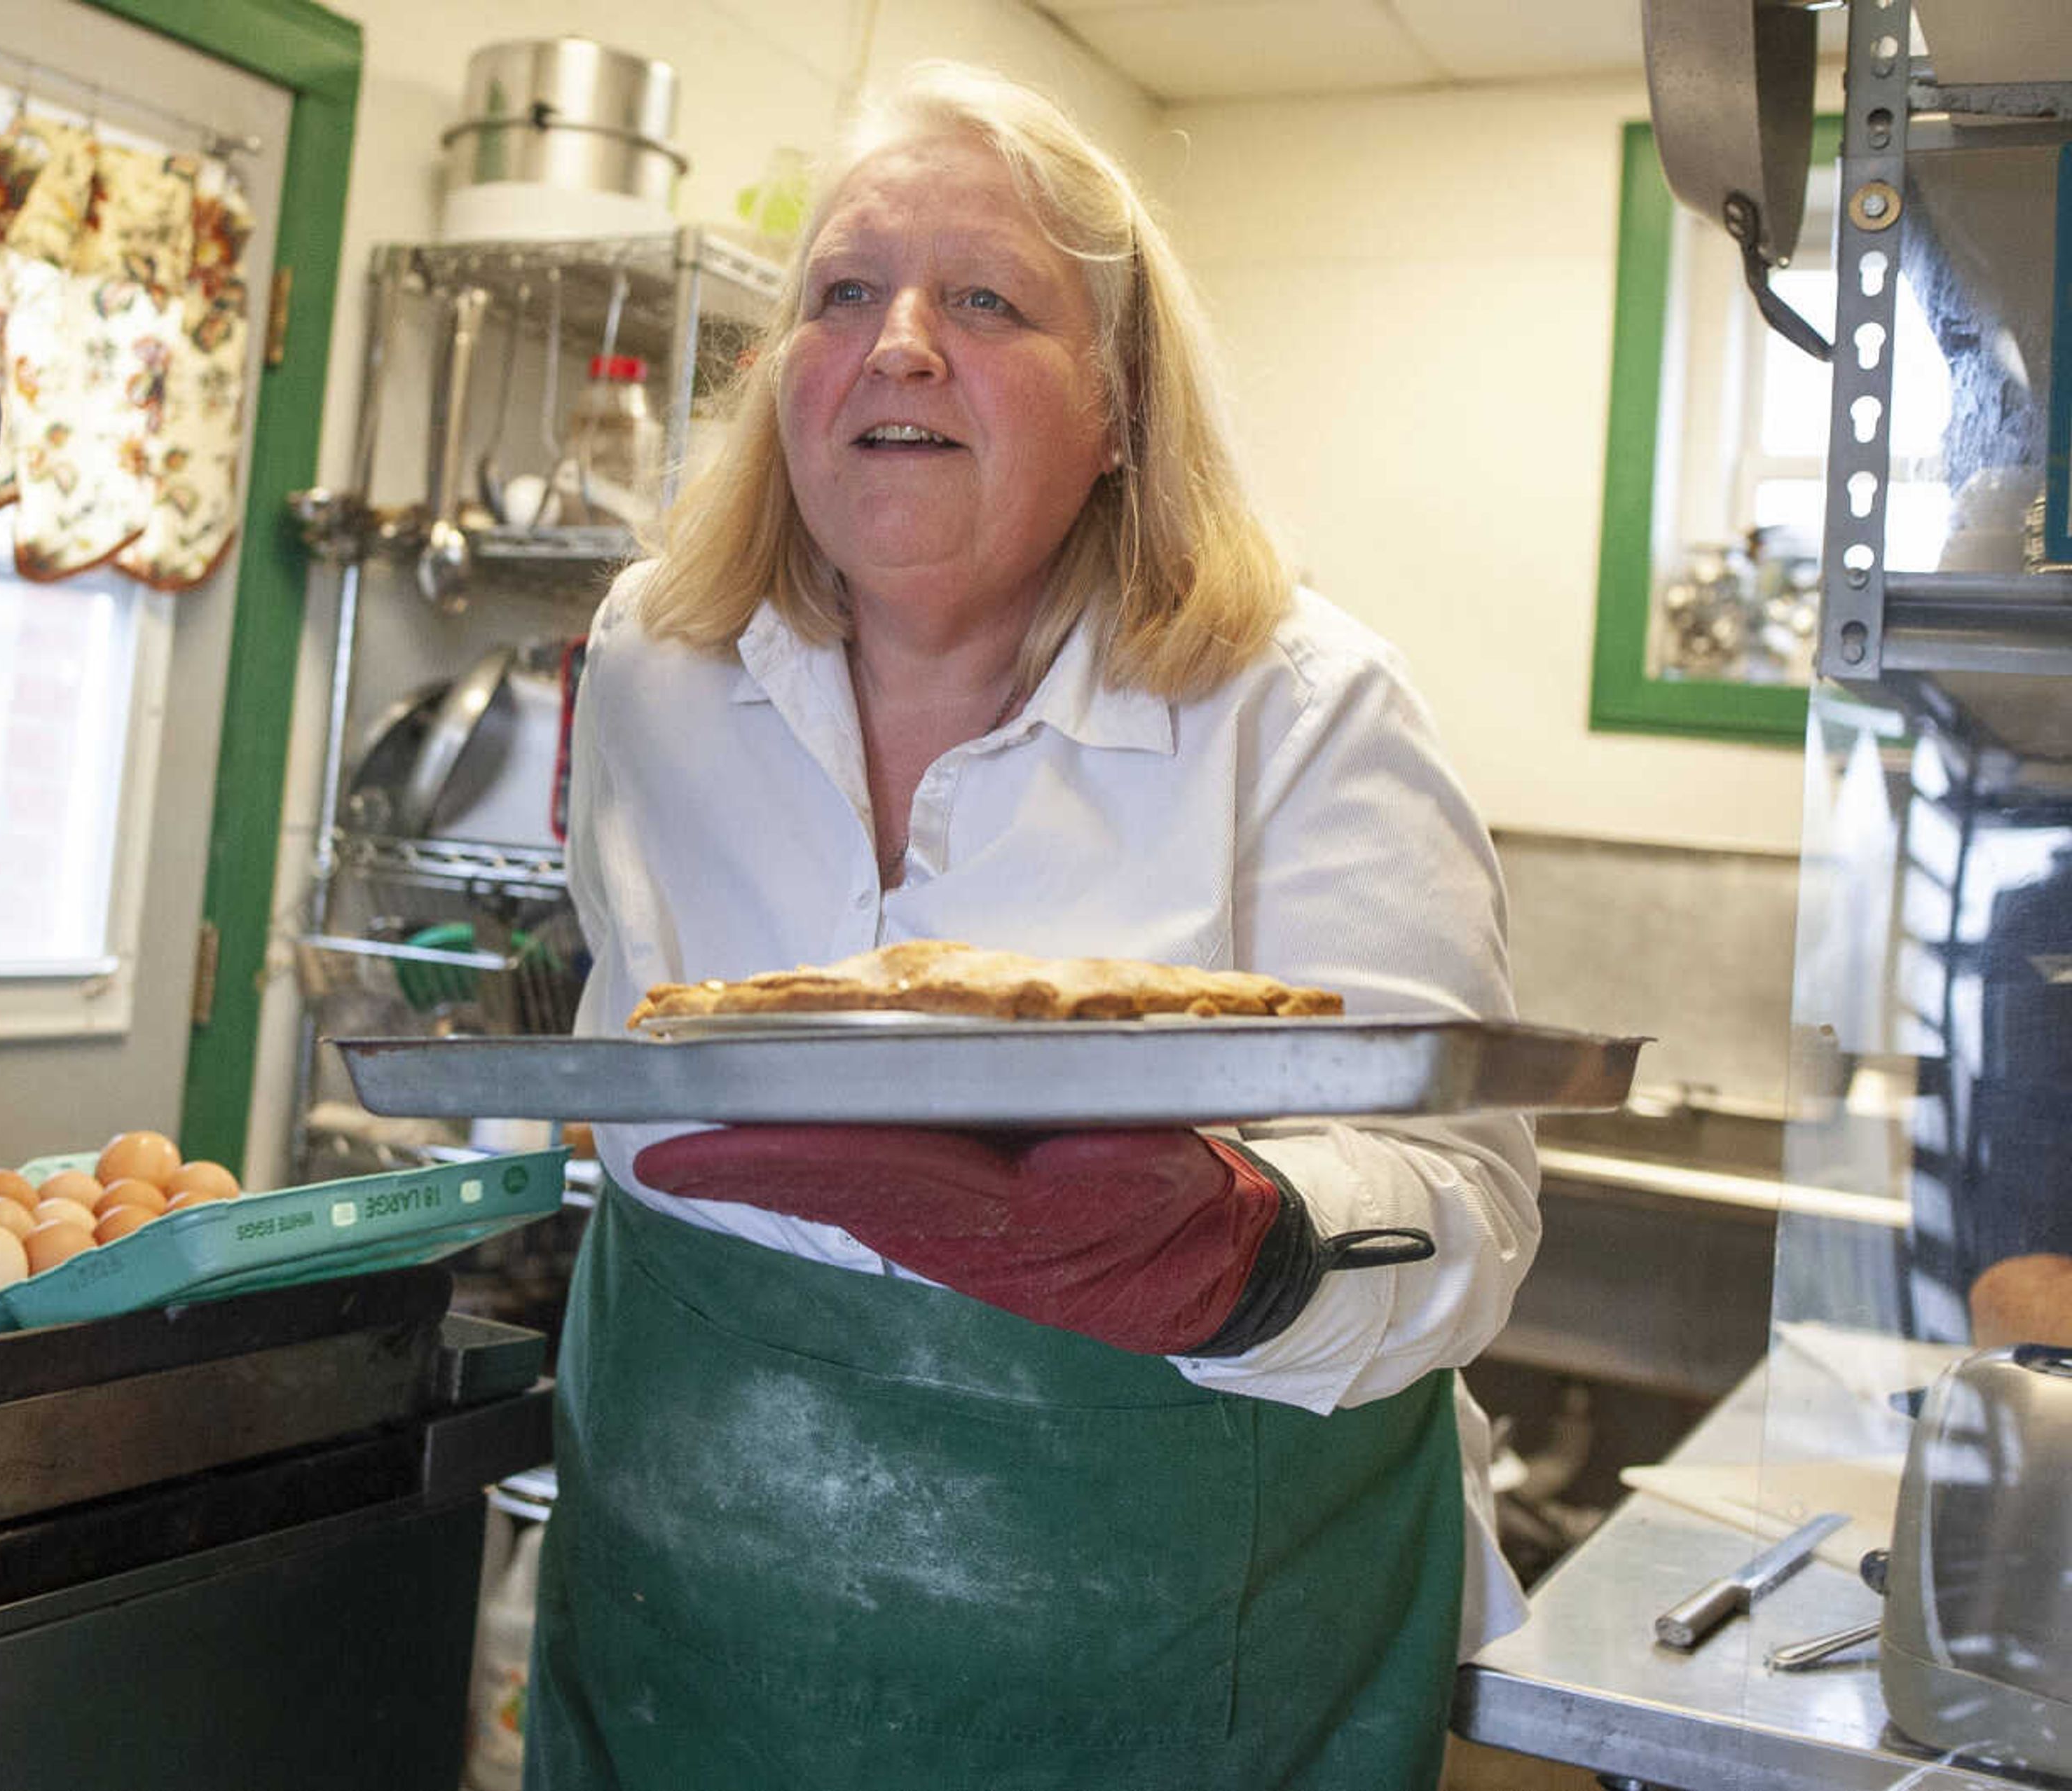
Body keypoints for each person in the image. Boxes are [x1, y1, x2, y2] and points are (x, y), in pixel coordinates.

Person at [535, 61, 1538, 1791]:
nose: (897, 341)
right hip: (692, 1609)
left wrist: (1240, 1250)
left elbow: (1470, 1207)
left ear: (1124, 406)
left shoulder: (1302, 714)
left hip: (1172, 1655)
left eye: (984, 300)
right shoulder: (651, 664)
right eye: (843, 294)